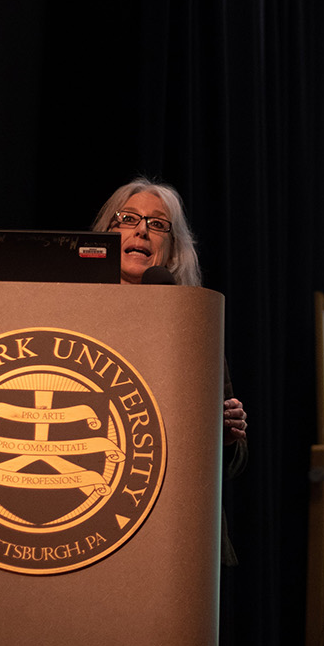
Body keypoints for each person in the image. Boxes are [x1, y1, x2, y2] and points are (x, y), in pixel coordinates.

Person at [92, 178, 247, 450]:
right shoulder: (75, 311)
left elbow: (236, 461)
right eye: (128, 218)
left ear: (173, 250)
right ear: (105, 234)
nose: (142, 230)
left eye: (158, 224)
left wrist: (227, 435)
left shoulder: (194, 327)